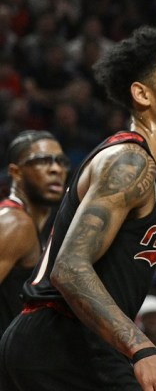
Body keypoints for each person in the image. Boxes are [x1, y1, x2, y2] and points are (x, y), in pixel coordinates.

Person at [0, 25, 156, 391]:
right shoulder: (130, 162)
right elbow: (69, 266)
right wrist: (142, 348)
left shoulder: (142, 169)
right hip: (61, 342)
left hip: (68, 343)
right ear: (142, 94)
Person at [0, 130, 67, 332]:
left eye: (60, 161)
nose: (56, 169)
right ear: (16, 172)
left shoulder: (32, 224)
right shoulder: (15, 223)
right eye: (42, 161)